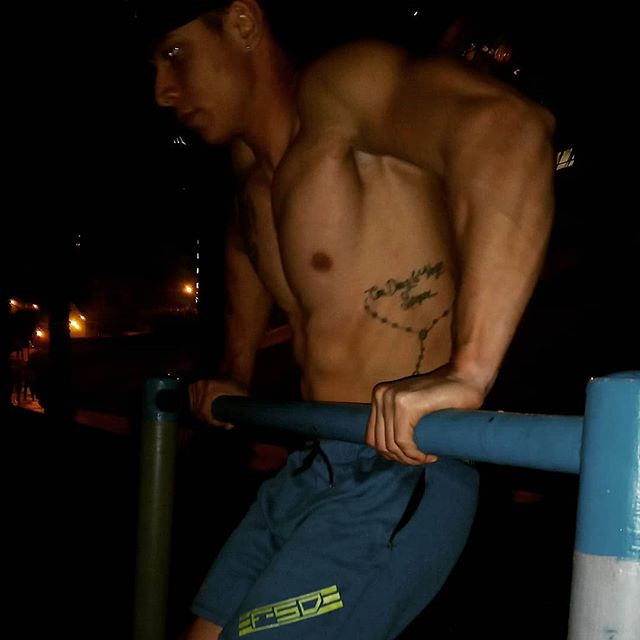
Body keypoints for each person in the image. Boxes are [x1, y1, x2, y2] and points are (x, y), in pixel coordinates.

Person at [143, 1, 556, 638]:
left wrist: (469, 369)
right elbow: (246, 249)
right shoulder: (252, 179)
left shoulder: (342, 92)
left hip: (404, 467)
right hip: (314, 463)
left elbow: (510, 127)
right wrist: (236, 371)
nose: (162, 91)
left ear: (243, 25)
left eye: (174, 54)